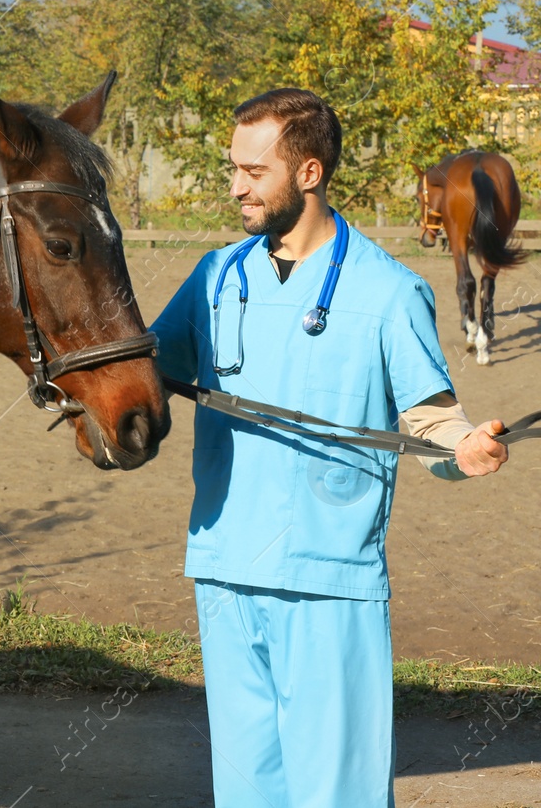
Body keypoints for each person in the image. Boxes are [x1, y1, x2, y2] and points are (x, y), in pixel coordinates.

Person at [148, 89, 508, 807]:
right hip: (223, 569)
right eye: (233, 168)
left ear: (309, 173)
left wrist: (464, 447)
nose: (235, 186)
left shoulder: (388, 289)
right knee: (247, 792)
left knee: (336, 793)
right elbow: (144, 374)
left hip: (329, 580)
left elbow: (430, 423)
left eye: (253, 171)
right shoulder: (215, 276)